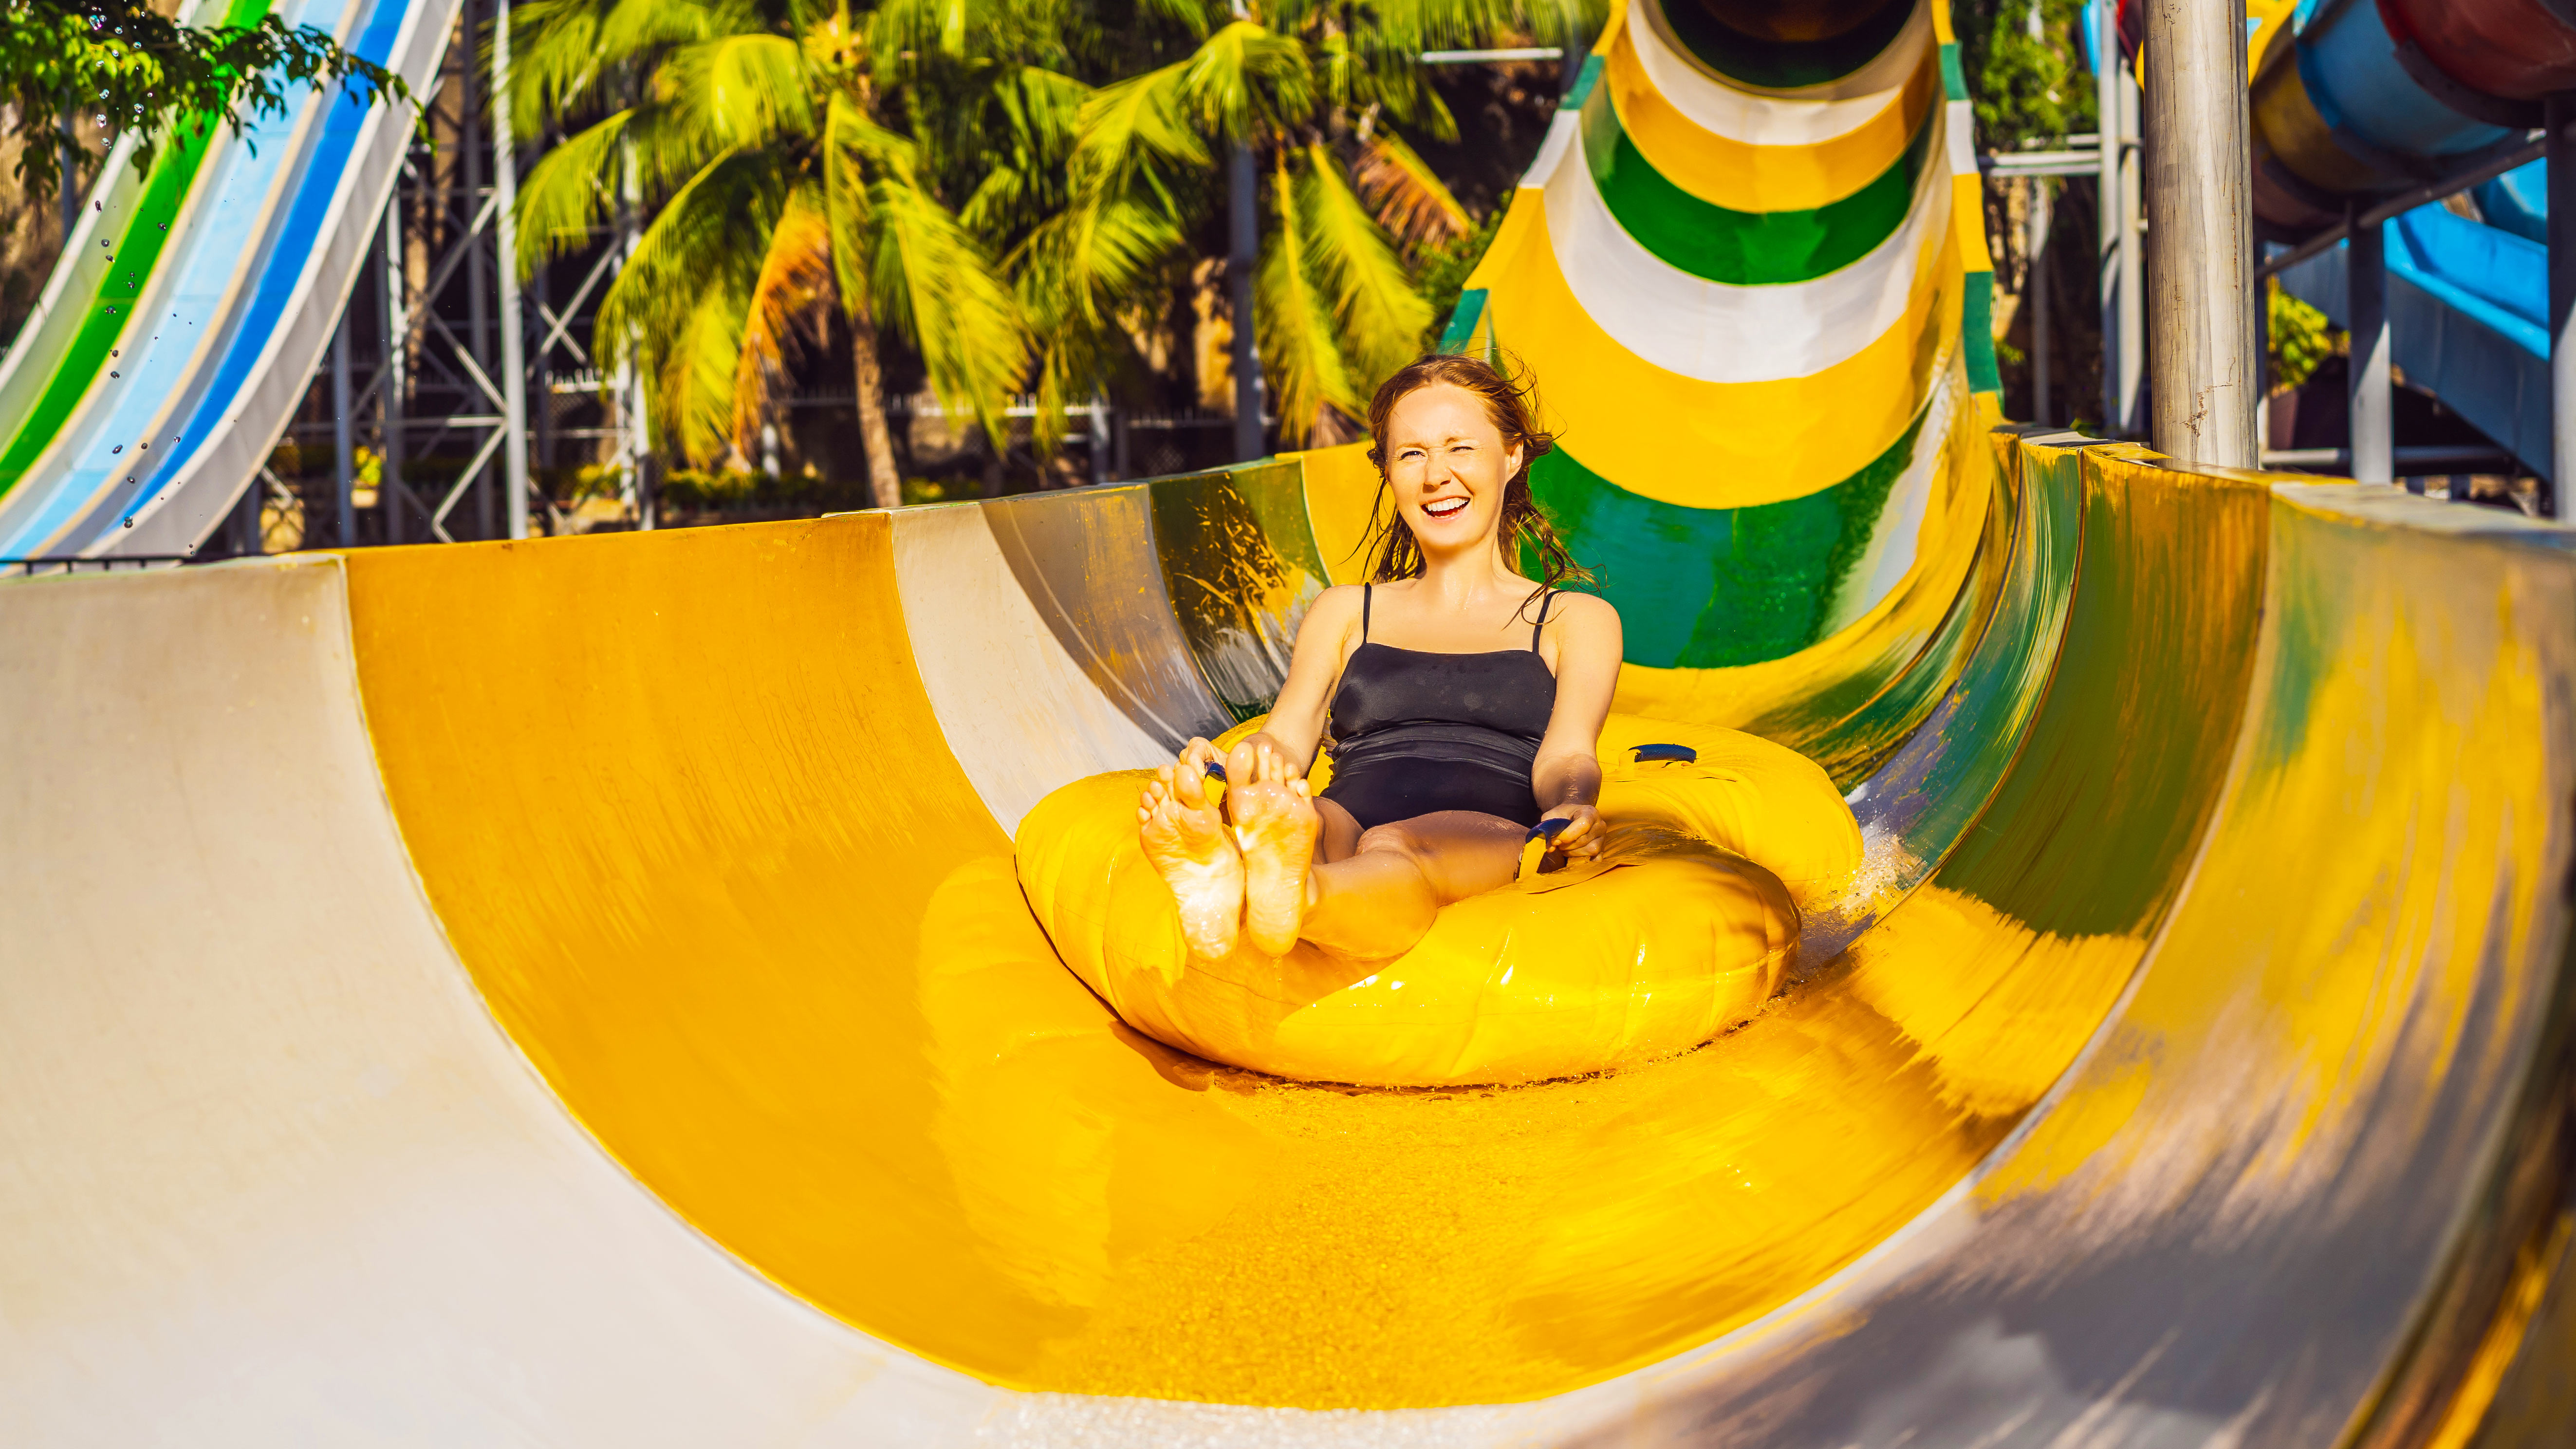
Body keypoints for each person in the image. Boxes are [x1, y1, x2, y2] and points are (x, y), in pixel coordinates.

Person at [1137, 354, 1622, 963]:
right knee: (1313, 821)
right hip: (1345, 815)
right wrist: (1241, 765)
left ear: (1511, 456)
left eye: (1460, 448)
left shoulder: (1572, 620)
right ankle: (1224, 874)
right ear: (1389, 473)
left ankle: (1295, 897)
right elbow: (1287, 735)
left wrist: (1571, 802)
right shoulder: (1345, 611)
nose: (1436, 475)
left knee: (1395, 846)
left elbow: (1568, 752)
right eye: (1411, 454)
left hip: (1482, 833)